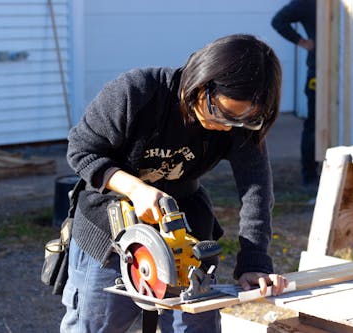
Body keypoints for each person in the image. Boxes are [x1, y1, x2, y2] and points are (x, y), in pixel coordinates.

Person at [61, 34, 288, 333]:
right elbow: (81, 149)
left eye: (242, 120)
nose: (227, 126)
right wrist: (135, 189)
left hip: (185, 233)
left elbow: (256, 190)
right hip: (109, 231)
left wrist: (254, 261)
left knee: (194, 327)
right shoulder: (138, 91)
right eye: (222, 113)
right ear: (202, 83)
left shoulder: (240, 120)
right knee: (95, 326)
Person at [272, 0, 319, 188]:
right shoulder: (311, 3)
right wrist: (304, 42)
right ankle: (310, 177)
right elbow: (278, 21)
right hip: (318, 72)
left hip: (347, 73)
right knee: (314, 125)